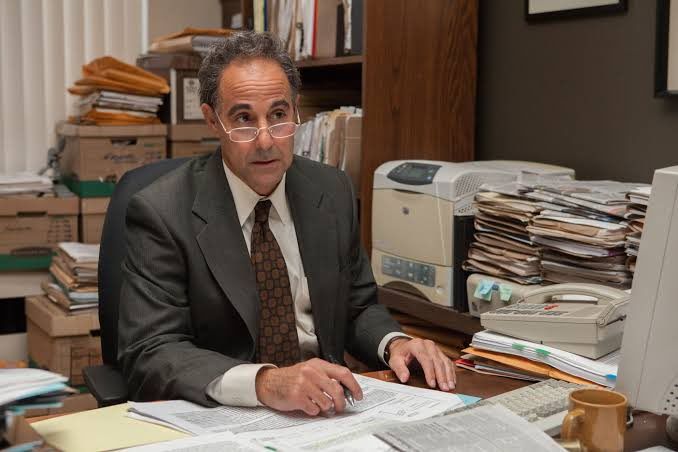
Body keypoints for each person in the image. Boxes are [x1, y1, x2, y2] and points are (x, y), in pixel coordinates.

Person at [117, 31, 455, 416]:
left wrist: (394, 343)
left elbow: (357, 307)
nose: (265, 141)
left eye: (279, 116)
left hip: (326, 408)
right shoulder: (161, 211)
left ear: (297, 112)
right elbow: (150, 350)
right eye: (244, 119)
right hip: (228, 415)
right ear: (212, 120)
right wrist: (264, 382)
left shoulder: (332, 191)